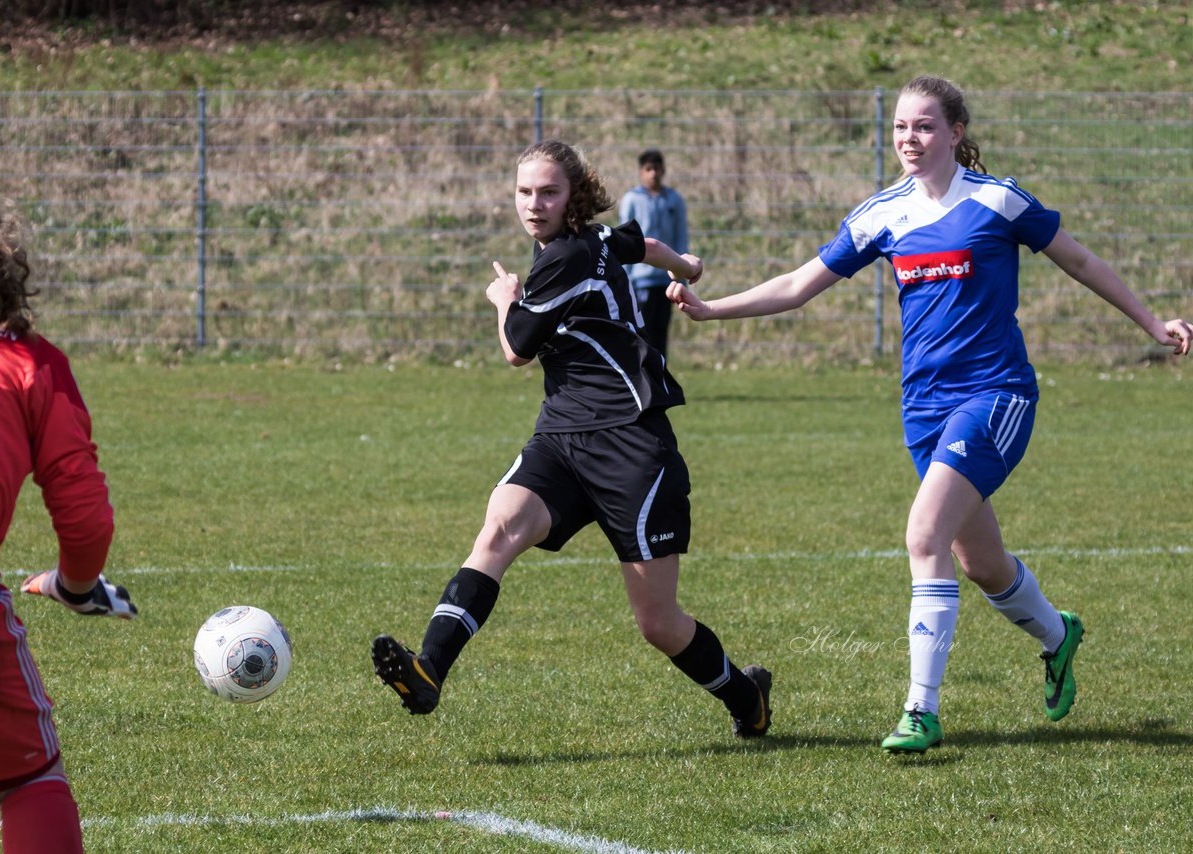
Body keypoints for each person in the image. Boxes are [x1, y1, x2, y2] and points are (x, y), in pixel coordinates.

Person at [666, 76, 1191, 754]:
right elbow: (799, 285)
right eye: (898, 128)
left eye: (922, 127)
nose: (907, 140)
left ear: (955, 133)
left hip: (996, 396)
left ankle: (921, 709)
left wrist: (1151, 322)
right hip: (923, 410)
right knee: (981, 562)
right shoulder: (883, 214)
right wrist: (714, 309)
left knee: (923, 536)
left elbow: (1080, 260)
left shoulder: (999, 200)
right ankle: (1059, 637)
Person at [372, 139, 772, 739]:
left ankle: (747, 697)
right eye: (524, 192)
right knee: (499, 529)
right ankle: (428, 669)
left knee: (658, 624)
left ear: (573, 194)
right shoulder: (601, 240)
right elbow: (647, 245)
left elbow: (515, 351)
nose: (535, 204)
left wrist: (503, 300)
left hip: (630, 446)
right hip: (561, 435)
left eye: (549, 192)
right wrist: (687, 269)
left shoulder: (566, 256)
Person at [0, 186, 137, 853]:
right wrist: (75, 586)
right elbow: (86, 518)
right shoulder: (30, 365)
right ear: (10, 268)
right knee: (29, 780)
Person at [619, 148, 689, 361]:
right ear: (641, 172)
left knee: (661, 333)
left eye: (657, 169)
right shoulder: (632, 199)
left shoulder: (674, 200)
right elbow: (624, 242)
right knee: (643, 332)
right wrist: (624, 280)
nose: (653, 174)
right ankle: (644, 377)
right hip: (641, 280)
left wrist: (682, 276)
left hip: (666, 281)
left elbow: (680, 238)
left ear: (663, 170)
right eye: (648, 169)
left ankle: (660, 378)